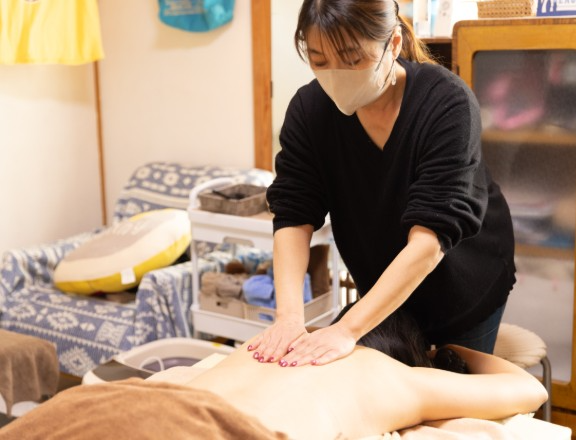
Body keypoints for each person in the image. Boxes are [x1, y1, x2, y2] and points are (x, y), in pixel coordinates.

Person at [251, 0, 516, 368]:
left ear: (393, 44)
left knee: (452, 392)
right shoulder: (309, 111)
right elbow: (294, 214)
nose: (336, 75)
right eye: (319, 60)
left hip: (463, 279)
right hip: (382, 285)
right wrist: (290, 318)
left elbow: (430, 239)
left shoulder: (446, 103)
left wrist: (347, 329)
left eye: (352, 59)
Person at [0, 312, 548, 440]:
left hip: (97, 412)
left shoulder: (274, 343)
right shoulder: (389, 375)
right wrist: (450, 350)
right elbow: (529, 388)